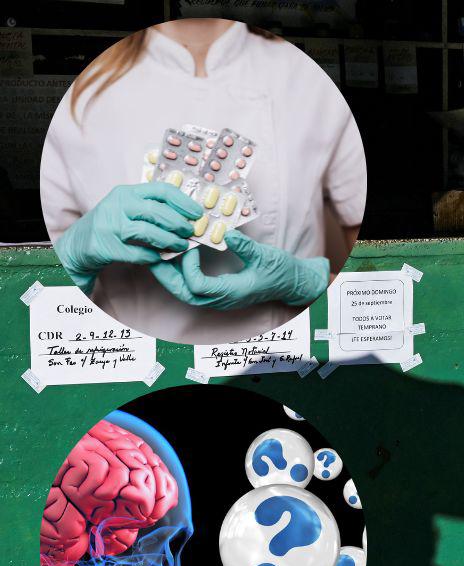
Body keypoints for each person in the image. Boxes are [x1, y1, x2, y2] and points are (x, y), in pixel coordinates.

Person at [40, 18, 366, 344]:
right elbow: (34, 315)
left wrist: (305, 283)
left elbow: (380, 292)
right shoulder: (79, 96)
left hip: (286, 365)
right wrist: (72, 263)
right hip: (131, 372)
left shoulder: (309, 80)